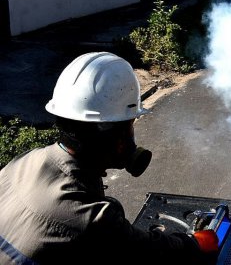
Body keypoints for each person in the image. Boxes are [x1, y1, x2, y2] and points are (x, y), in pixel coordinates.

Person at [0, 52, 218, 265]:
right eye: (130, 126)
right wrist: (194, 244)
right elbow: (149, 251)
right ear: (117, 138)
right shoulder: (92, 218)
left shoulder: (22, 163)